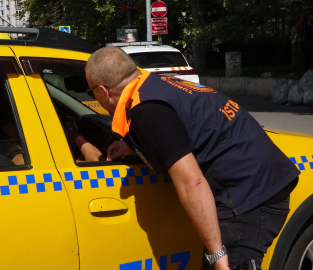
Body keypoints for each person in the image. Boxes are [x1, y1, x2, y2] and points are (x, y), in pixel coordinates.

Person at [85, 47, 300, 270]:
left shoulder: (147, 111)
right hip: (262, 176)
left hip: (250, 194)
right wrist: (133, 145)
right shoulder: (157, 84)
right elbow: (184, 128)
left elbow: (192, 182)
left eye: (91, 93)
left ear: (102, 91)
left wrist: (217, 254)